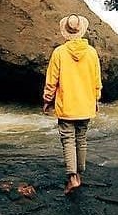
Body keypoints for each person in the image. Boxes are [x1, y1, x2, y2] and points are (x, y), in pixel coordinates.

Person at [42, 13, 101, 195]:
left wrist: (47, 99)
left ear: (65, 32)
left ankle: (72, 178)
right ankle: (79, 175)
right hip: (86, 105)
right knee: (81, 139)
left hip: (67, 106)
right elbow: (97, 81)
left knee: (68, 139)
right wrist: (96, 99)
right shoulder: (91, 53)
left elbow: (52, 80)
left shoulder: (59, 53)